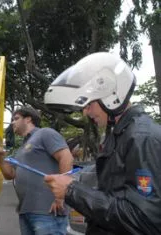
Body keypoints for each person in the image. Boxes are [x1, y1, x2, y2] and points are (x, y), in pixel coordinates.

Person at [43, 52, 161, 234]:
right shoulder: (120, 134)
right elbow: (116, 187)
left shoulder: (141, 138)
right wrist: (78, 178)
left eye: (89, 104)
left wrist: (72, 190)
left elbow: (143, 218)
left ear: (112, 96)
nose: (85, 113)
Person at [0, 107, 73, 235]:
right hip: (26, 211)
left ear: (28, 119)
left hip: (47, 211)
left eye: (16, 119)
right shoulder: (22, 148)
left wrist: (61, 196)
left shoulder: (45, 133)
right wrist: (1, 155)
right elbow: (10, 175)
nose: (12, 123)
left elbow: (66, 157)